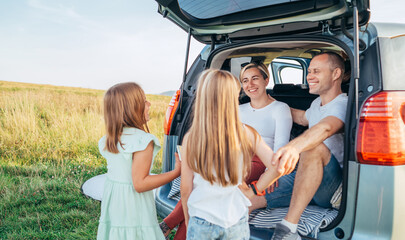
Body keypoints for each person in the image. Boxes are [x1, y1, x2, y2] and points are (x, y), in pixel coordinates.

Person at [159, 63, 293, 239]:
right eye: (245, 81)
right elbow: (278, 166)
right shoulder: (247, 131)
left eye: (255, 78)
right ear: (234, 95)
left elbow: (186, 190)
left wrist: (189, 220)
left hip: (202, 219)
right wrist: (254, 190)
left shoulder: (191, 138)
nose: (250, 84)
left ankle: (167, 226)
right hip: (235, 220)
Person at [248, 52, 347, 240]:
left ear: (335, 74)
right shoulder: (317, 103)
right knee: (248, 202)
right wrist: (269, 103)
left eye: (316, 71)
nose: (309, 76)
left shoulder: (343, 103)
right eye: (309, 71)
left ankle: (288, 229)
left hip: (331, 188)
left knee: (313, 147)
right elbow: (302, 118)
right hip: (304, 176)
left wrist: (293, 148)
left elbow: (326, 128)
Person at [97, 82, 181, 240]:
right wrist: (176, 172)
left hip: (115, 204)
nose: (149, 103)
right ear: (131, 109)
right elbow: (140, 184)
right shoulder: (143, 141)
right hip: (133, 206)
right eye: (144, 101)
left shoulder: (109, 139)